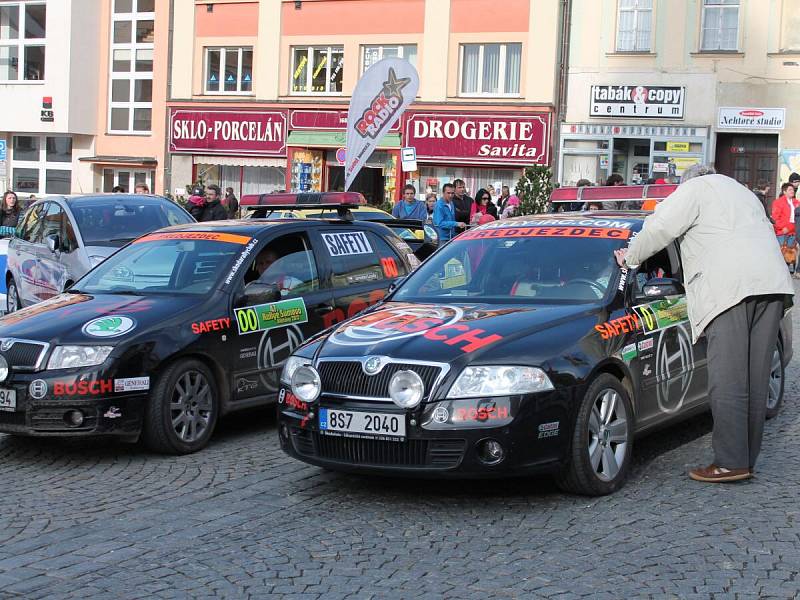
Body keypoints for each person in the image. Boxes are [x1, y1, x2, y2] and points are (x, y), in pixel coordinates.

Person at [614, 164, 793, 483]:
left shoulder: (693, 190)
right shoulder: (741, 191)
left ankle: (729, 462)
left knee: (727, 378)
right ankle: (745, 459)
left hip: (729, 289)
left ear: (686, 183)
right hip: (772, 284)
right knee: (754, 378)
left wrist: (629, 258)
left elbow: (659, 228)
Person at [772, 182, 799, 275]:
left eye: (793, 190)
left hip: (793, 231)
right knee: (781, 253)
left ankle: (786, 273)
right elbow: (775, 218)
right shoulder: (778, 202)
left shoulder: (797, 202)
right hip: (782, 231)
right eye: (790, 190)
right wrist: (782, 227)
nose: (792, 191)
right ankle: (778, 273)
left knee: (790, 253)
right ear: (784, 191)